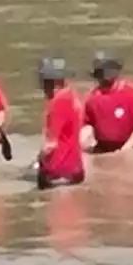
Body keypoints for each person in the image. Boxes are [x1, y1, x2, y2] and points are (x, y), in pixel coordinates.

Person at [29, 56, 85, 190]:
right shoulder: (72, 96)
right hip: (75, 170)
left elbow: (51, 145)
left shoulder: (58, 104)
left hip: (58, 174)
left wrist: (38, 160)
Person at [81, 51, 133, 154]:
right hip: (101, 147)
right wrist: (83, 141)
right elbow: (87, 124)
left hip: (128, 145)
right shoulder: (92, 97)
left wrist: (126, 148)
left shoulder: (130, 93)